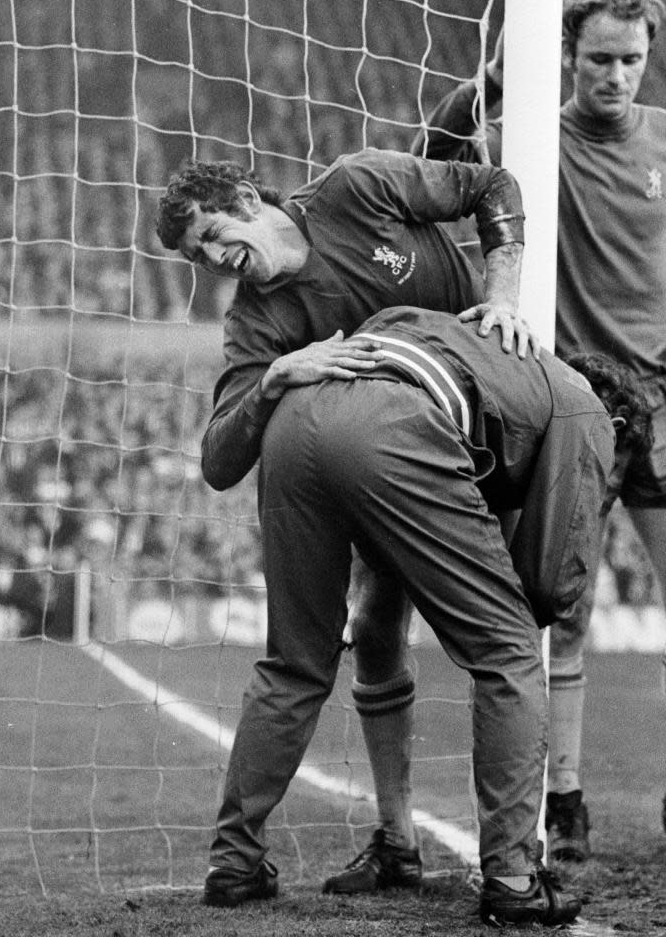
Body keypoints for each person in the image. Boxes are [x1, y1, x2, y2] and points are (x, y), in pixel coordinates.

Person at [155, 146, 536, 889]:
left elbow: (491, 184)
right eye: (198, 259)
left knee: (521, 622)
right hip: (387, 469)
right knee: (377, 633)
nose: (213, 262)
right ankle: (398, 840)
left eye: (209, 238)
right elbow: (217, 460)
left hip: (481, 427)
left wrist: (502, 298)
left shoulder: (354, 187)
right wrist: (272, 380)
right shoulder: (258, 322)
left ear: (242, 196)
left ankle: (550, 811)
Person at [200, 305, 648, 926]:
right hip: (391, 426)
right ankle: (515, 879)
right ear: (617, 423)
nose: (608, 488)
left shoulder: (489, 355)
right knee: (511, 649)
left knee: (296, 662)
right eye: (616, 472)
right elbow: (547, 586)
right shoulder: (585, 408)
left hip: (297, 415)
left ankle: (235, 864)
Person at [405, 0, 666, 863]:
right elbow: (429, 150)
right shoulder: (529, 137)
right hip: (574, 400)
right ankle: (562, 796)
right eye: (598, 58)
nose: (615, 76)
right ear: (566, 54)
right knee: (561, 609)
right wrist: (489, 78)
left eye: (631, 60)